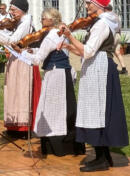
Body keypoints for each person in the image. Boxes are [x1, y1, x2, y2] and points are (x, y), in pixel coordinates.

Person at [58, 0, 129, 172]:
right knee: (96, 111)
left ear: (98, 5)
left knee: (97, 111)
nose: (87, 6)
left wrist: (69, 36)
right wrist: (68, 45)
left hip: (99, 69)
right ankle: (103, 156)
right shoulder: (101, 23)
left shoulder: (101, 25)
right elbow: (88, 51)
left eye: (89, 3)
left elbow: (88, 51)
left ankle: (102, 159)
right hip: (96, 66)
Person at [21, 8, 85, 156]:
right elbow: (48, 52)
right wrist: (33, 52)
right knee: (66, 110)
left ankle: (56, 147)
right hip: (64, 73)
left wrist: (21, 53)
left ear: (51, 20)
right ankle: (71, 146)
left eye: (43, 18)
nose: (41, 21)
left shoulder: (51, 36)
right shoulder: (60, 34)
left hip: (56, 75)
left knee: (52, 111)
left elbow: (38, 60)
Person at [0, 0, 41, 139]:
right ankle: (14, 126)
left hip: (24, 60)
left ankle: (24, 128)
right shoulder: (18, 22)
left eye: (13, 10)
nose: (10, 13)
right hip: (16, 59)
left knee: (22, 93)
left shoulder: (26, 23)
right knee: (14, 92)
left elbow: (13, 42)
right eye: (10, 10)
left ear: (21, 10)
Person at [106, 5, 128, 74]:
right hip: (118, 35)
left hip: (113, 36)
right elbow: (119, 26)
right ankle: (124, 68)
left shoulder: (108, 17)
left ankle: (113, 67)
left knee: (107, 52)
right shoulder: (116, 16)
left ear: (106, 9)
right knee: (117, 52)